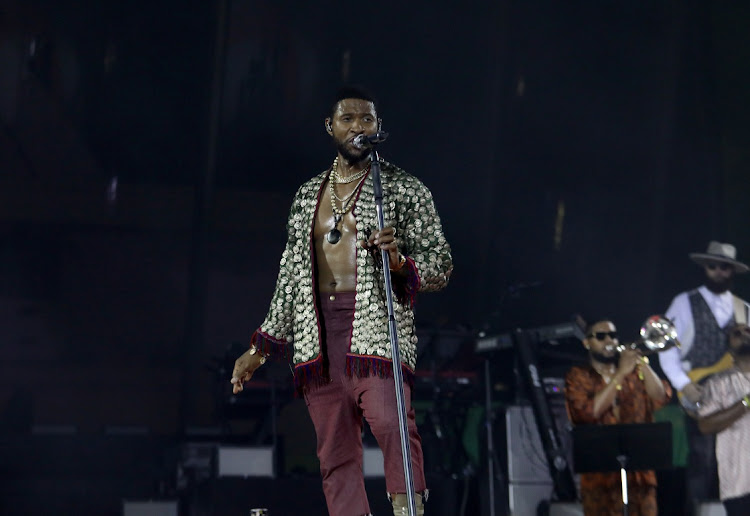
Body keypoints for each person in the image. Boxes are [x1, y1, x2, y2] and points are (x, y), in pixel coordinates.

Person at [230, 86, 453, 516]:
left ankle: (409, 511)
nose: (358, 127)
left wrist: (400, 261)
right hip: (319, 336)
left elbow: (440, 262)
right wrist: (259, 350)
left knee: (392, 426)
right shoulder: (306, 196)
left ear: (378, 128)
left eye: (367, 119)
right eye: (348, 119)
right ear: (330, 127)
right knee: (334, 451)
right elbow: (290, 277)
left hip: (375, 328)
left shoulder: (403, 189)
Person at [657, 241, 750, 508]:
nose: (719, 272)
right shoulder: (684, 303)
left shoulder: (743, 308)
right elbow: (666, 348)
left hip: (739, 391)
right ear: (704, 268)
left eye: (725, 267)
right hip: (700, 390)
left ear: (732, 271)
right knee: (701, 463)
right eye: (713, 266)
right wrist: (684, 385)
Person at [565, 318, 671, 516]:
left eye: (613, 336)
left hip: (640, 479)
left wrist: (642, 363)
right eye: (601, 336)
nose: (609, 341)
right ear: (587, 343)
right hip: (599, 482)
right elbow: (587, 413)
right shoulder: (578, 375)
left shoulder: (635, 373)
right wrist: (620, 373)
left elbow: (662, 396)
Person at [696, 322, 750, 516]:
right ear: (729, 348)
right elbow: (705, 425)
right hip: (739, 484)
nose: (744, 335)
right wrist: (745, 403)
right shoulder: (718, 383)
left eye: (748, 330)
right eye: (736, 333)